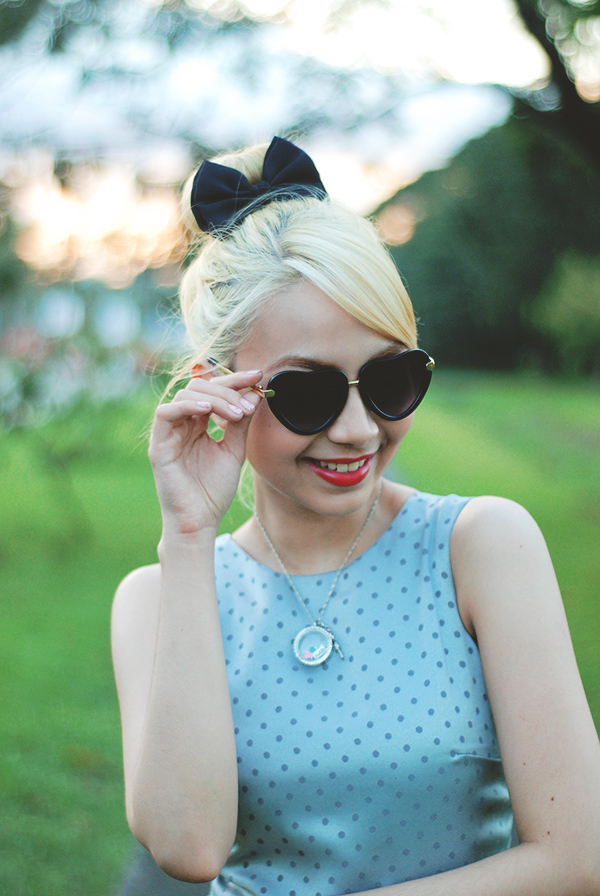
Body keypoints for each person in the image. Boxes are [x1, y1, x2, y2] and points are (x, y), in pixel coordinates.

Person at [111, 136, 600, 896]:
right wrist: (187, 535)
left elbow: (577, 856)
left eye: (390, 380)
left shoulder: (480, 549)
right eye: (306, 392)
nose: (358, 429)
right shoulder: (156, 599)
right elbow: (189, 846)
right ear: (220, 389)